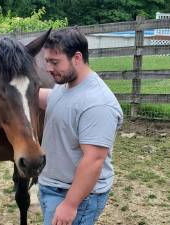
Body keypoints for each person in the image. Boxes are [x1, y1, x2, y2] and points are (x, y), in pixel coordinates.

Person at [38, 27, 123, 225]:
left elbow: (94, 159)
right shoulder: (66, 85)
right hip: (53, 186)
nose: (48, 68)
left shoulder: (98, 103)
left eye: (54, 62)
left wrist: (70, 204)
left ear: (77, 58)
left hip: (76, 195)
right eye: (47, 61)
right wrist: (15, 91)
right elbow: (54, 101)